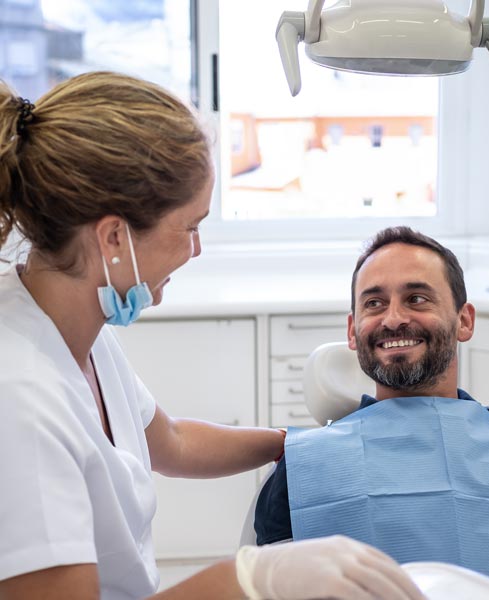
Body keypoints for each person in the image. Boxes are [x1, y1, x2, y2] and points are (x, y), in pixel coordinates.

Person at [0, 73, 427, 600]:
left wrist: (299, 445)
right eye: (190, 227)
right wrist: (249, 578)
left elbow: (172, 441)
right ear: (114, 237)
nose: (195, 251)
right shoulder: (19, 398)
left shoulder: (75, 330)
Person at [254, 226, 489, 599]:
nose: (393, 318)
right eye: (374, 303)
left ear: (464, 321)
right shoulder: (304, 467)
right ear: (353, 332)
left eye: (416, 298)